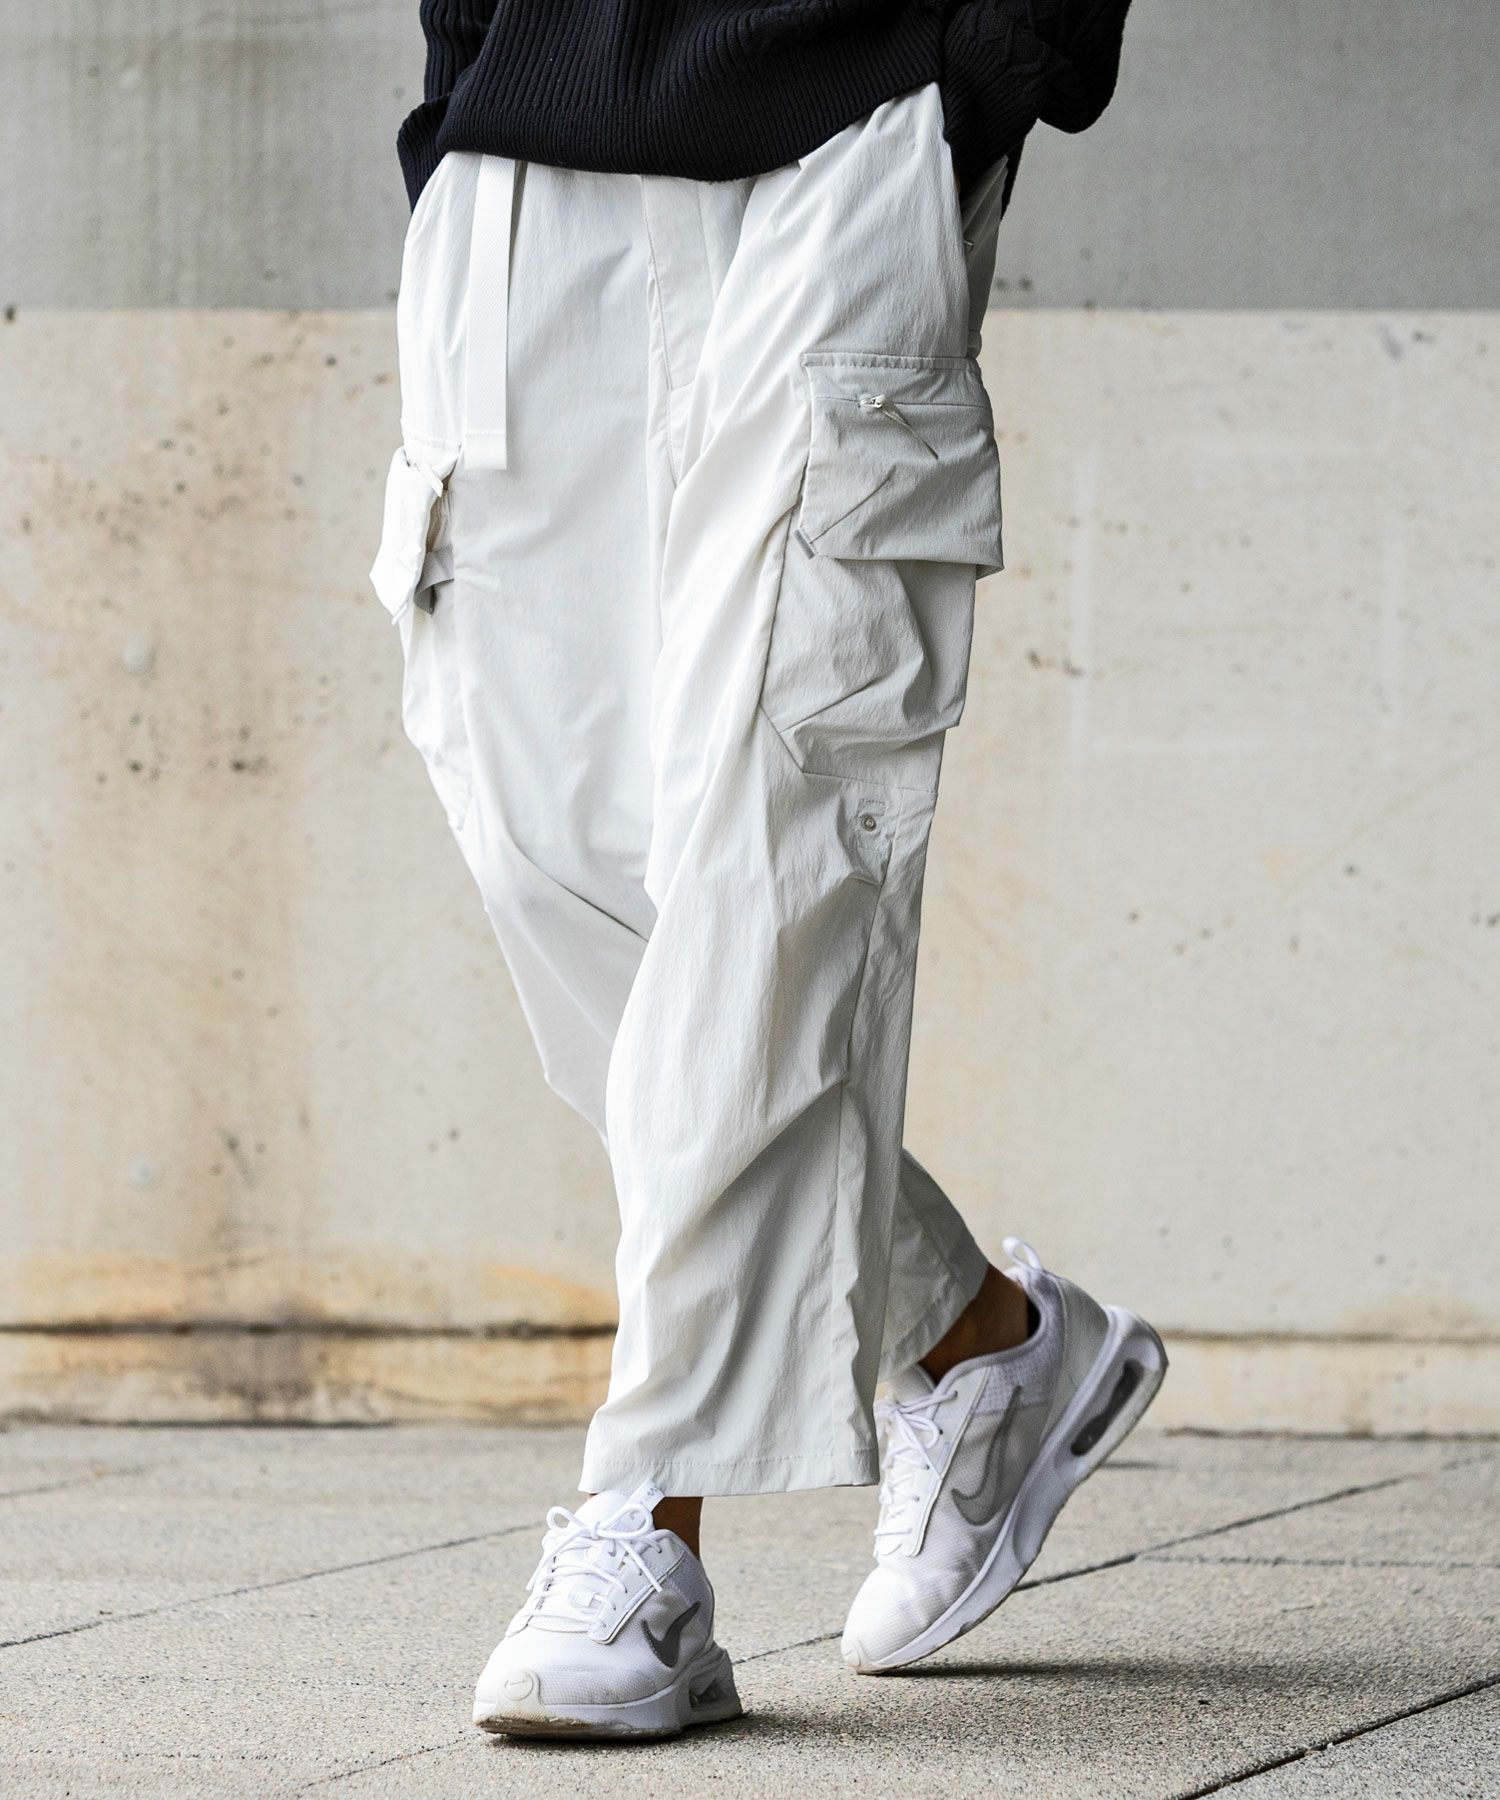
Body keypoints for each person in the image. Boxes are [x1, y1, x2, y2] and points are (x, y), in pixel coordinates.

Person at [369, 0, 1164, 1741]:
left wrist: (995, 68)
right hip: (526, 135)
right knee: (543, 841)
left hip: (855, 114)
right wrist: (461, 86)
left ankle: (639, 1538)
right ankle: (972, 1336)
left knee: (770, 824)